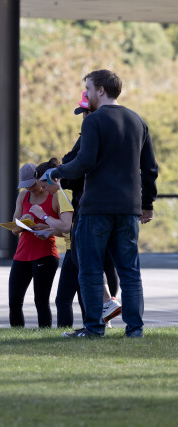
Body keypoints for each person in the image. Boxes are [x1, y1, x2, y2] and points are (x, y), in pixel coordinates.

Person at [48, 69, 158, 338]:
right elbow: (150, 169)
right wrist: (147, 204)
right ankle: (135, 330)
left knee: (91, 270)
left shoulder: (93, 121)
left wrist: (57, 172)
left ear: (101, 90)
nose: (86, 94)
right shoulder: (138, 121)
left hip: (96, 208)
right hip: (128, 208)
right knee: (130, 272)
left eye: (88, 88)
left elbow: (84, 162)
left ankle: (94, 328)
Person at [55, 94, 121, 329]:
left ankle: (103, 308)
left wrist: (62, 173)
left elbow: (72, 164)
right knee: (110, 263)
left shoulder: (89, 136)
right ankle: (109, 309)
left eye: (84, 112)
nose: (83, 117)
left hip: (89, 207)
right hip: (115, 206)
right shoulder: (117, 134)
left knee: (85, 260)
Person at [6, 162, 61, 328]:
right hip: (22, 254)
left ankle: (44, 335)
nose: (30, 188)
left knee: (41, 301)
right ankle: (16, 335)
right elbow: (14, 230)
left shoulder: (53, 196)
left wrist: (45, 227)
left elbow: (64, 228)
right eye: (26, 185)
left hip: (45, 253)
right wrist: (23, 221)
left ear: (39, 179)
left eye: (32, 184)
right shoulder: (23, 196)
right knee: (14, 301)